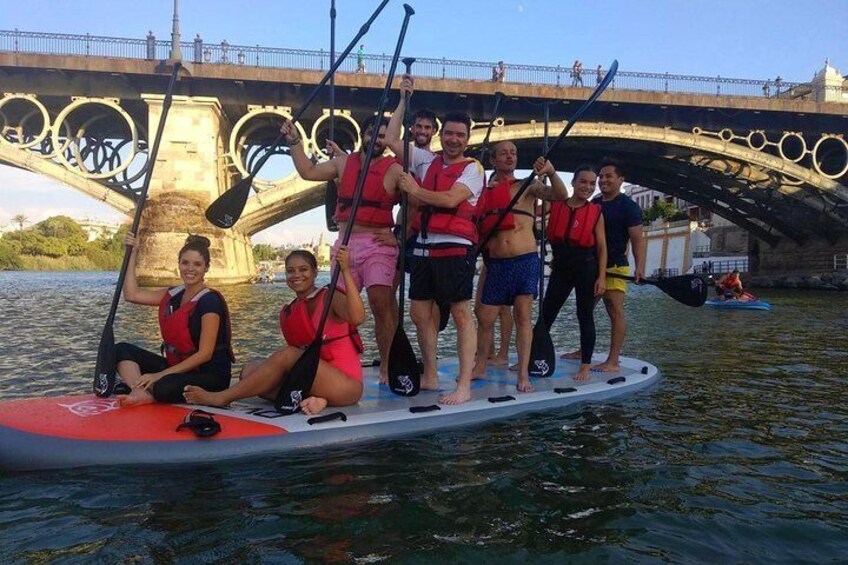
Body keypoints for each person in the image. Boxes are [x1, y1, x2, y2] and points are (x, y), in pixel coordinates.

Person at [281, 115, 401, 385]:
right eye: (372, 133)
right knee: (337, 308)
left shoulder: (394, 169)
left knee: (381, 305)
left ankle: (387, 366)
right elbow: (308, 172)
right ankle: (338, 364)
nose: (377, 139)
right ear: (364, 135)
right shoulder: (344, 163)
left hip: (376, 246)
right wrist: (295, 143)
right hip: (345, 245)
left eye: (383, 136)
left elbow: (415, 201)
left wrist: (400, 237)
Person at [390, 84, 484, 405]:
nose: (454, 139)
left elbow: (449, 199)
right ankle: (429, 374)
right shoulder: (426, 160)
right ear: (441, 135)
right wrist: (403, 101)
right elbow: (391, 139)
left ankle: (464, 384)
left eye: (461, 135)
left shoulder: (473, 169)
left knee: (460, 313)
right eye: (450, 134)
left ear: (467, 139)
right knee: (419, 312)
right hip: (425, 245)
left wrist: (413, 190)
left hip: (456, 247)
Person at [185, 248, 365, 415]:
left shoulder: (330, 297)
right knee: (248, 372)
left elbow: (357, 318)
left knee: (288, 355)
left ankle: (221, 397)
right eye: (290, 271)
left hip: (345, 387)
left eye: (303, 269)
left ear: (315, 272)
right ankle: (315, 399)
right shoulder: (289, 311)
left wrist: (346, 270)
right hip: (312, 381)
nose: (296, 275)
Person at [473, 142, 567, 392]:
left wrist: (551, 172)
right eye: (503, 153)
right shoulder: (483, 192)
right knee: (485, 318)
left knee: (523, 317)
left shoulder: (528, 187)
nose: (509, 156)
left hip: (523, 261)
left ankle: (523, 374)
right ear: (492, 161)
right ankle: (480, 365)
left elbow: (561, 196)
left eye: (513, 153)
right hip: (496, 264)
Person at [115, 233, 234, 407]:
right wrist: (132, 254)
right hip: (178, 367)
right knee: (120, 350)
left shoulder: (210, 302)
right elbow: (132, 295)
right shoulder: (173, 294)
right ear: (178, 264)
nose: (190, 269)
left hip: (210, 375)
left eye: (197, 264)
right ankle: (139, 390)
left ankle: (150, 391)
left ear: (206, 268)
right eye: (185, 263)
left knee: (165, 387)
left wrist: (158, 375)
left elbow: (205, 354)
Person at [542, 165, 608, 381]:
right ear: (573, 182)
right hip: (561, 267)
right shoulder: (556, 204)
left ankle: (585, 366)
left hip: (586, 267)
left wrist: (601, 277)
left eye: (592, 184)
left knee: (585, 315)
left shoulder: (596, 212)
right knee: (546, 315)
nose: (587, 187)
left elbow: (601, 247)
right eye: (583, 182)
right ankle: (534, 356)